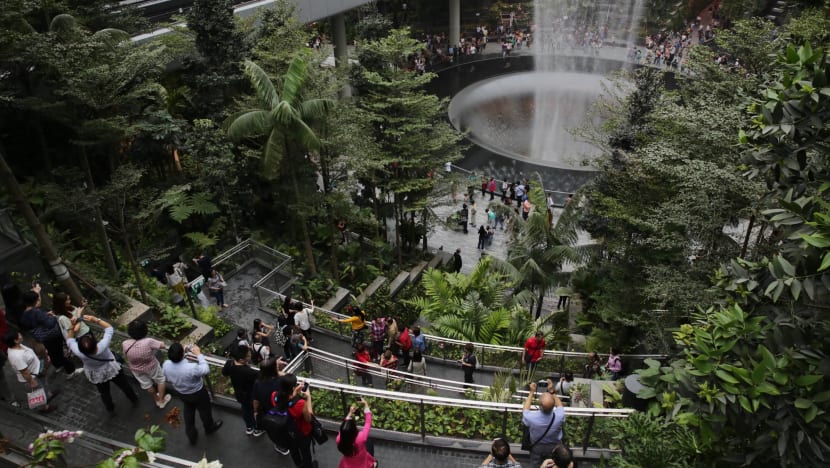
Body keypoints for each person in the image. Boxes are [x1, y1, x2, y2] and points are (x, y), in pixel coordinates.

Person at [66, 314, 139, 413]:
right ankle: (133, 399)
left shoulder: (79, 352)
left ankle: (110, 408)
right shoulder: (102, 346)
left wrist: (71, 326)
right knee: (124, 385)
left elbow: (69, 340)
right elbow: (109, 328)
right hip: (111, 368)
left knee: (104, 393)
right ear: (95, 342)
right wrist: (95, 319)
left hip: (96, 374)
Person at [162, 342, 223, 444]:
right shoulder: (191, 367)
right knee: (204, 411)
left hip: (182, 392)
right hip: (198, 393)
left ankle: (191, 434)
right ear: (182, 354)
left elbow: (169, 375)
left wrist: (184, 354)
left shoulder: (166, 365)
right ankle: (209, 428)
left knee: (188, 411)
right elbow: (206, 370)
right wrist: (199, 354)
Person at [19, 287, 82, 379]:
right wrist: (53, 317)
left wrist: (44, 316)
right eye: (38, 299)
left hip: (41, 337)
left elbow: (34, 324)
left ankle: (58, 365)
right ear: (35, 301)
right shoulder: (36, 312)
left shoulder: (24, 314)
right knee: (60, 354)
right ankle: (71, 371)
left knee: (52, 353)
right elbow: (50, 324)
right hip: (52, 336)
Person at [4, 330, 58, 413]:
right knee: (38, 393)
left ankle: (48, 395)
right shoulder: (16, 357)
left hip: (37, 370)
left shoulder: (18, 345)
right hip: (32, 377)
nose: (21, 335)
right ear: (15, 340)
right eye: (19, 335)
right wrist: (32, 382)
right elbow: (24, 372)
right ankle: (43, 408)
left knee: (43, 385)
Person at [123, 320, 170, 409]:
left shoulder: (125, 343)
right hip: (152, 367)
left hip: (136, 370)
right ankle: (161, 400)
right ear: (145, 331)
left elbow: (126, 355)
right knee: (160, 380)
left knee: (147, 385)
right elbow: (162, 345)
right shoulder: (148, 341)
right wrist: (162, 343)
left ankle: (156, 399)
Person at [223, 345, 264, 437]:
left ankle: (249, 427)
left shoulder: (230, 363)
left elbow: (224, 373)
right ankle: (257, 428)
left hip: (239, 394)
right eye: (248, 355)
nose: (250, 355)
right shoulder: (248, 372)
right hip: (250, 395)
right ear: (241, 360)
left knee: (245, 410)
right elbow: (262, 376)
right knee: (255, 411)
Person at [275, 374, 315, 468]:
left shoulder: (275, 396)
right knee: (305, 452)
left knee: (293, 450)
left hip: (287, 431)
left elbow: (286, 402)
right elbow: (309, 417)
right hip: (302, 433)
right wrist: (308, 398)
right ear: (292, 387)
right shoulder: (300, 403)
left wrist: (295, 391)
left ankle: (299, 465)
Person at [252, 356, 290, 455]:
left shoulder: (258, 383)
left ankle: (281, 446)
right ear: (274, 369)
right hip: (282, 410)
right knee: (283, 429)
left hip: (267, 412)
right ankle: (284, 444)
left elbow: (256, 400)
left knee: (273, 431)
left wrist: (255, 411)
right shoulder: (281, 381)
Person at [522, 382, 565, 468]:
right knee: (552, 464)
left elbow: (525, 410)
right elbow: (560, 406)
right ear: (554, 405)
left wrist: (531, 392)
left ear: (540, 406)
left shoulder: (531, 418)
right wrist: (552, 392)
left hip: (537, 446)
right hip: (554, 447)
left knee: (535, 464)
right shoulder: (560, 416)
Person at [337, 397, 377, 468]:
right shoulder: (361, 438)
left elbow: (344, 429)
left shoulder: (339, 439)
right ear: (354, 429)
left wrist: (350, 413)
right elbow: (368, 422)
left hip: (347, 465)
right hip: (363, 463)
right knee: (369, 443)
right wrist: (366, 404)